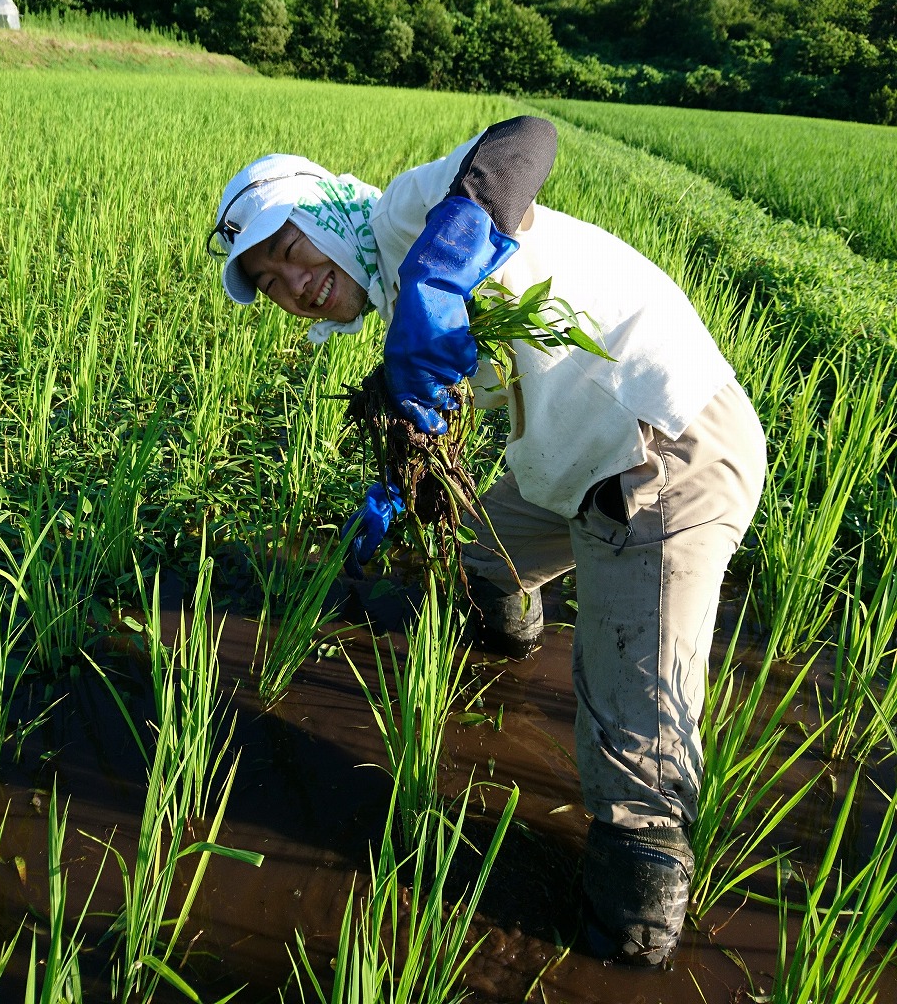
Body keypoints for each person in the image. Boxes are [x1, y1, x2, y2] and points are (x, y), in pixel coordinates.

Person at [208, 115, 766, 967]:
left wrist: (442, 265)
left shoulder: (405, 218)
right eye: (271, 279)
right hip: (569, 470)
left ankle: (630, 937)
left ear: (324, 212)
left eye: (290, 245)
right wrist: (399, 488)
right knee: (475, 555)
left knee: (634, 756)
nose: (295, 281)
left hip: (665, 451)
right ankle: (506, 639)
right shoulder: (392, 300)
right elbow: (443, 404)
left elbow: (525, 140)